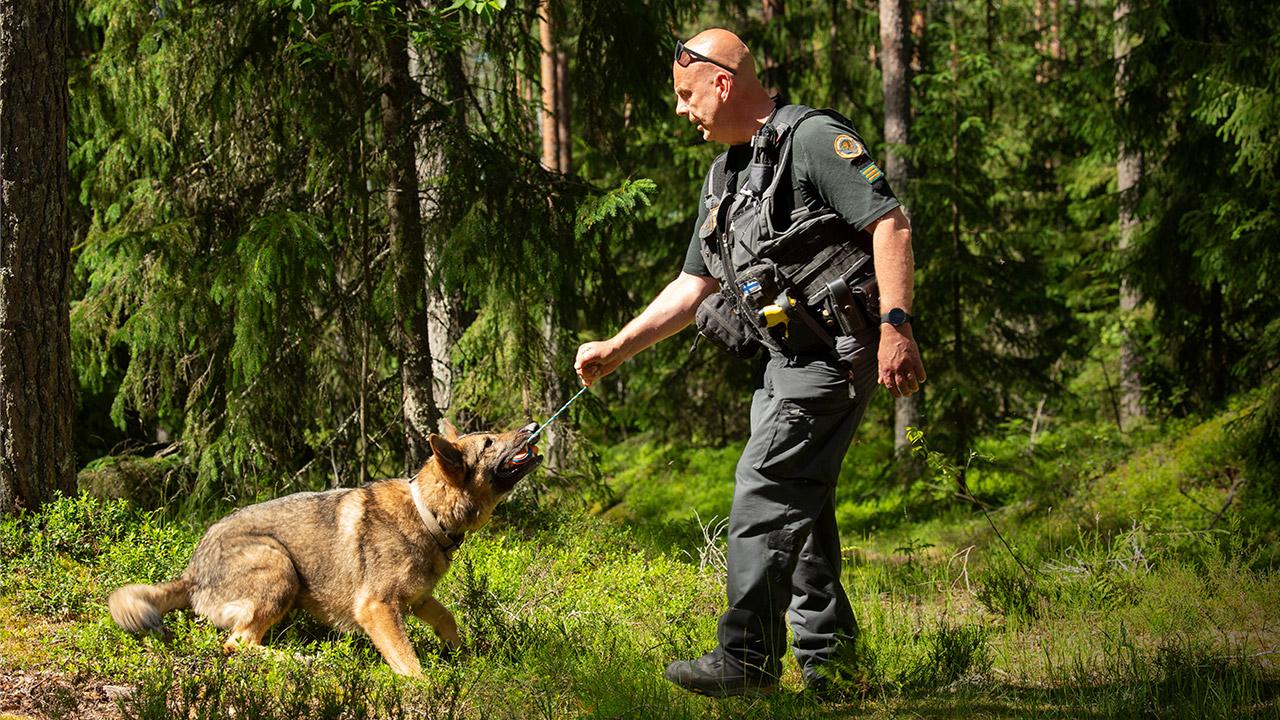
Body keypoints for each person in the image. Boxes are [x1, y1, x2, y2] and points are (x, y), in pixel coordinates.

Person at [574, 28, 925, 696]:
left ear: (723, 82)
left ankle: (746, 659)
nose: (682, 110)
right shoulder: (724, 176)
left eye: (686, 94)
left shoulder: (814, 141)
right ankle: (834, 669)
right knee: (803, 514)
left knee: (764, 490)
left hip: (836, 357)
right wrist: (617, 347)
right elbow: (693, 287)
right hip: (780, 364)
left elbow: (891, 223)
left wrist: (896, 326)